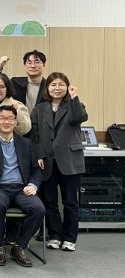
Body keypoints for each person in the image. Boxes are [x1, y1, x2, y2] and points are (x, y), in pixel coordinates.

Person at [0, 105, 44, 267]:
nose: (6, 122)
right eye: (2, 118)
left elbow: (36, 170)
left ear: (15, 121)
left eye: (10, 118)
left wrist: (33, 185)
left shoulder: (25, 143)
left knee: (38, 209)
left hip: (21, 188)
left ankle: (19, 246)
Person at [30, 73, 88, 252]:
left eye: (61, 84)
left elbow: (79, 117)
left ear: (67, 87)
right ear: (47, 88)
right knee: (50, 201)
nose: (57, 88)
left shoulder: (75, 105)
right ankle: (54, 235)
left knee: (70, 202)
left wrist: (74, 97)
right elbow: (34, 136)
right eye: (53, 85)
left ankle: (70, 238)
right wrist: (39, 155)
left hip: (70, 161)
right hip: (47, 161)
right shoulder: (40, 109)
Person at [0, 72, 31, 137]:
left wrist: (17, 112)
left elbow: (25, 130)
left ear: (7, 88)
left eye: (1, 87)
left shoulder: (17, 106)